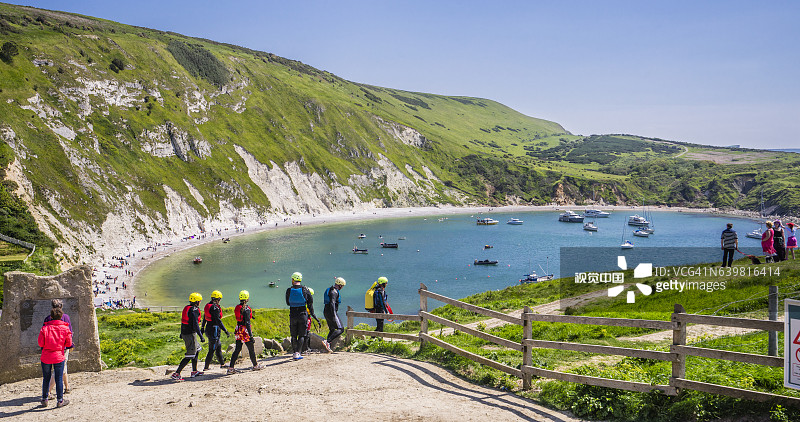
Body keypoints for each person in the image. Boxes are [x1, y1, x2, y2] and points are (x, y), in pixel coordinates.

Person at [38, 305, 73, 408]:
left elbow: (40, 343)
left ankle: (45, 399)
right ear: (61, 316)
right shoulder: (65, 328)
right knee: (58, 378)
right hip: (58, 355)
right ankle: (60, 400)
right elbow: (69, 343)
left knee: (46, 378)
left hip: (46, 356)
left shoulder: (45, 328)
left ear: (51, 317)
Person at [171, 292, 205, 381]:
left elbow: (183, 322)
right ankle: (176, 373)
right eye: (200, 301)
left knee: (197, 350)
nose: (200, 302)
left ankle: (194, 371)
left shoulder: (187, 308)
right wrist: (201, 336)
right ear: (197, 301)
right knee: (190, 354)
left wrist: (181, 333)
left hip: (186, 333)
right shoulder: (194, 310)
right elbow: (195, 325)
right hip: (190, 334)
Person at [229, 290, 262, 373]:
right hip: (244, 330)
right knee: (251, 349)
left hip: (238, 329)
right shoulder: (246, 309)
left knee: (237, 349)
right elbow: (247, 323)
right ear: (247, 298)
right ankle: (255, 365)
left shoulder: (237, 307)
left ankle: (231, 368)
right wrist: (251, 336)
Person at [286, 272, 314, 360]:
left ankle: (294, 353)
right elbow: (310, 301)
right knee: (302, 335)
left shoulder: (289, 290)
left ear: (293, 279)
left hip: (293, 314)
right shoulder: (305, 289)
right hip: (303, 314)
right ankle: (298, 352)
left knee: (294, 335)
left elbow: (287, 303)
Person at [202, 290, 230, 371]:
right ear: (218, 299)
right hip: (214, 329)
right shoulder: (215, 308)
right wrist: (225, 330)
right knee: (212, 348)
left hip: (209, 328)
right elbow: (218, 321)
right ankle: (206, 367)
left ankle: (222, 364)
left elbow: (205, 317)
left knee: (218, 347)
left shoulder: (208, 305)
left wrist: (203, 327)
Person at [323, 277, 346, 352]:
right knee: (341, 329)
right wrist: (333, 315)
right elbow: (332, 303)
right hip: (331, 312)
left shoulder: (330, 289)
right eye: (342, 286)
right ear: (340, 285)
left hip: (326, 311)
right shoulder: (334, 292)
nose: (342, 287)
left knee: (332, 329)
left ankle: (327, 346)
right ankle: (328, 341)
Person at [300, 287, 321, 355]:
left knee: (302, 334)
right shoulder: (309, 303)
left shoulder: (302, 301)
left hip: (301, 317)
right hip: (307, 318)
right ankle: (306, 349)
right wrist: (317, 320)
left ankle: (301, 349)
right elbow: (312, 313)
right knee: (307, 334)